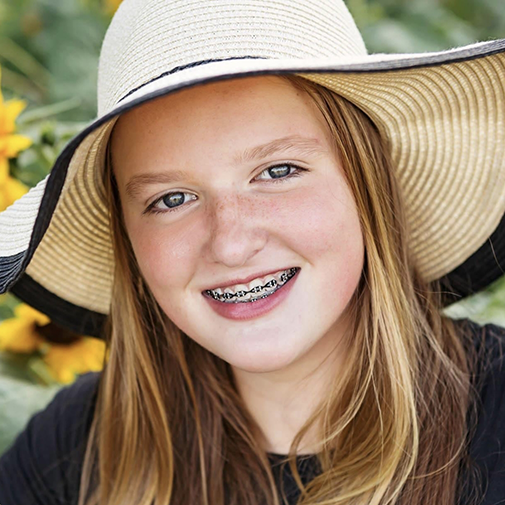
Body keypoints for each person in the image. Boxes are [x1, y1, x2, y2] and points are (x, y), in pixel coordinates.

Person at [0, 0, 504, 504]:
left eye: (278, 171)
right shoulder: (72, 455)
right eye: (171, 199)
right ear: (128, 239)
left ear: (368, 184)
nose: (232, 244)